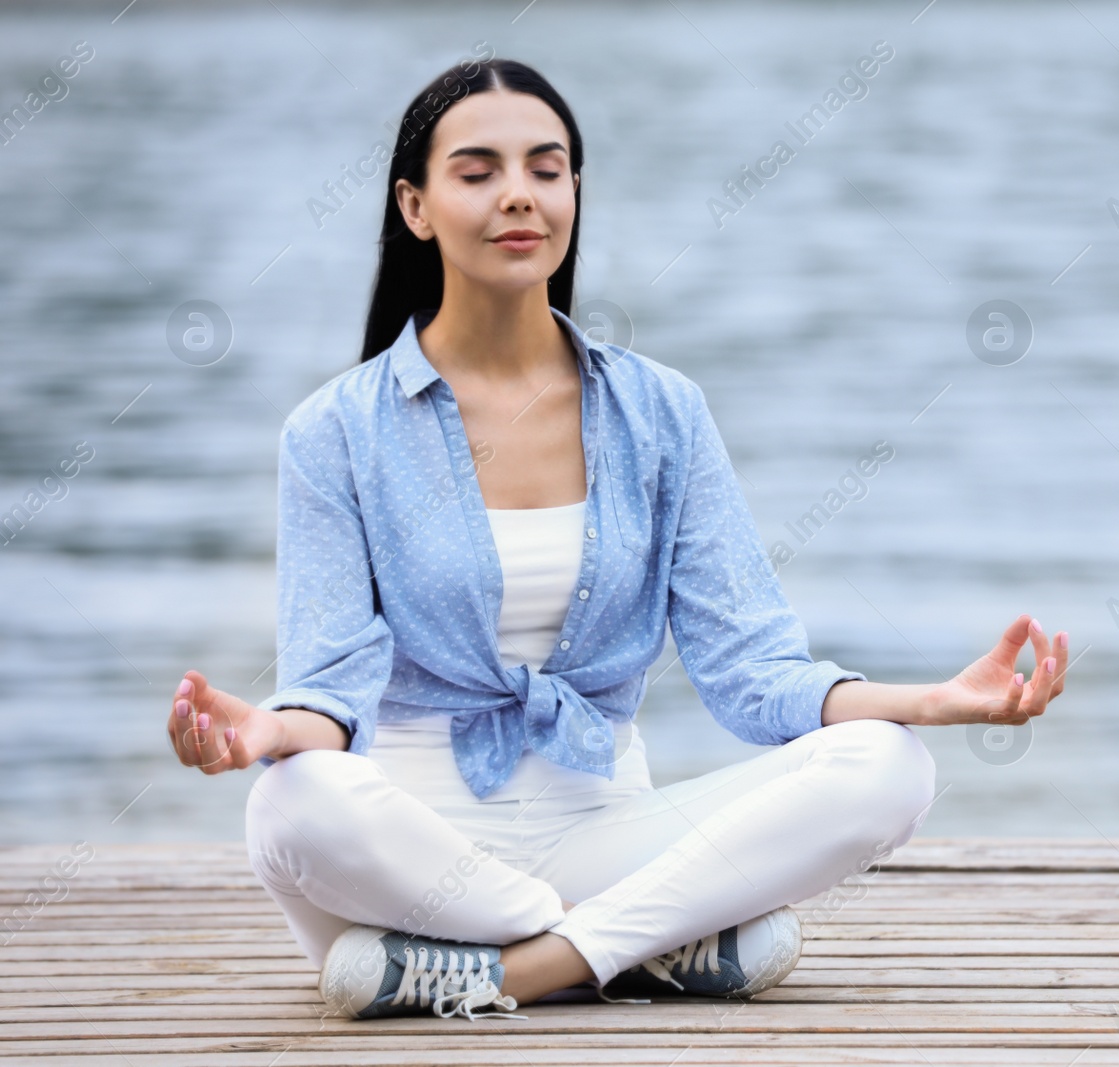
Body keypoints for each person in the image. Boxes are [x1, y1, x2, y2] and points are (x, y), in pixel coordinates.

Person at [164, 57, 1068, 1022]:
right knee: (290, 802)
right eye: (477, 172)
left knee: (890, 766)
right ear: (416, 206)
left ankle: (512, 969)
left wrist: (931, 699)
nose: (519, 195)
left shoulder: (661, 412)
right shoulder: (334, 431)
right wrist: (264, 729)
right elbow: (331, 688)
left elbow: (753, 671)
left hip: (605, 827)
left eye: (546, 169)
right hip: (410, 858)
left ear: (573, 193)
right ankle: (644, 942)